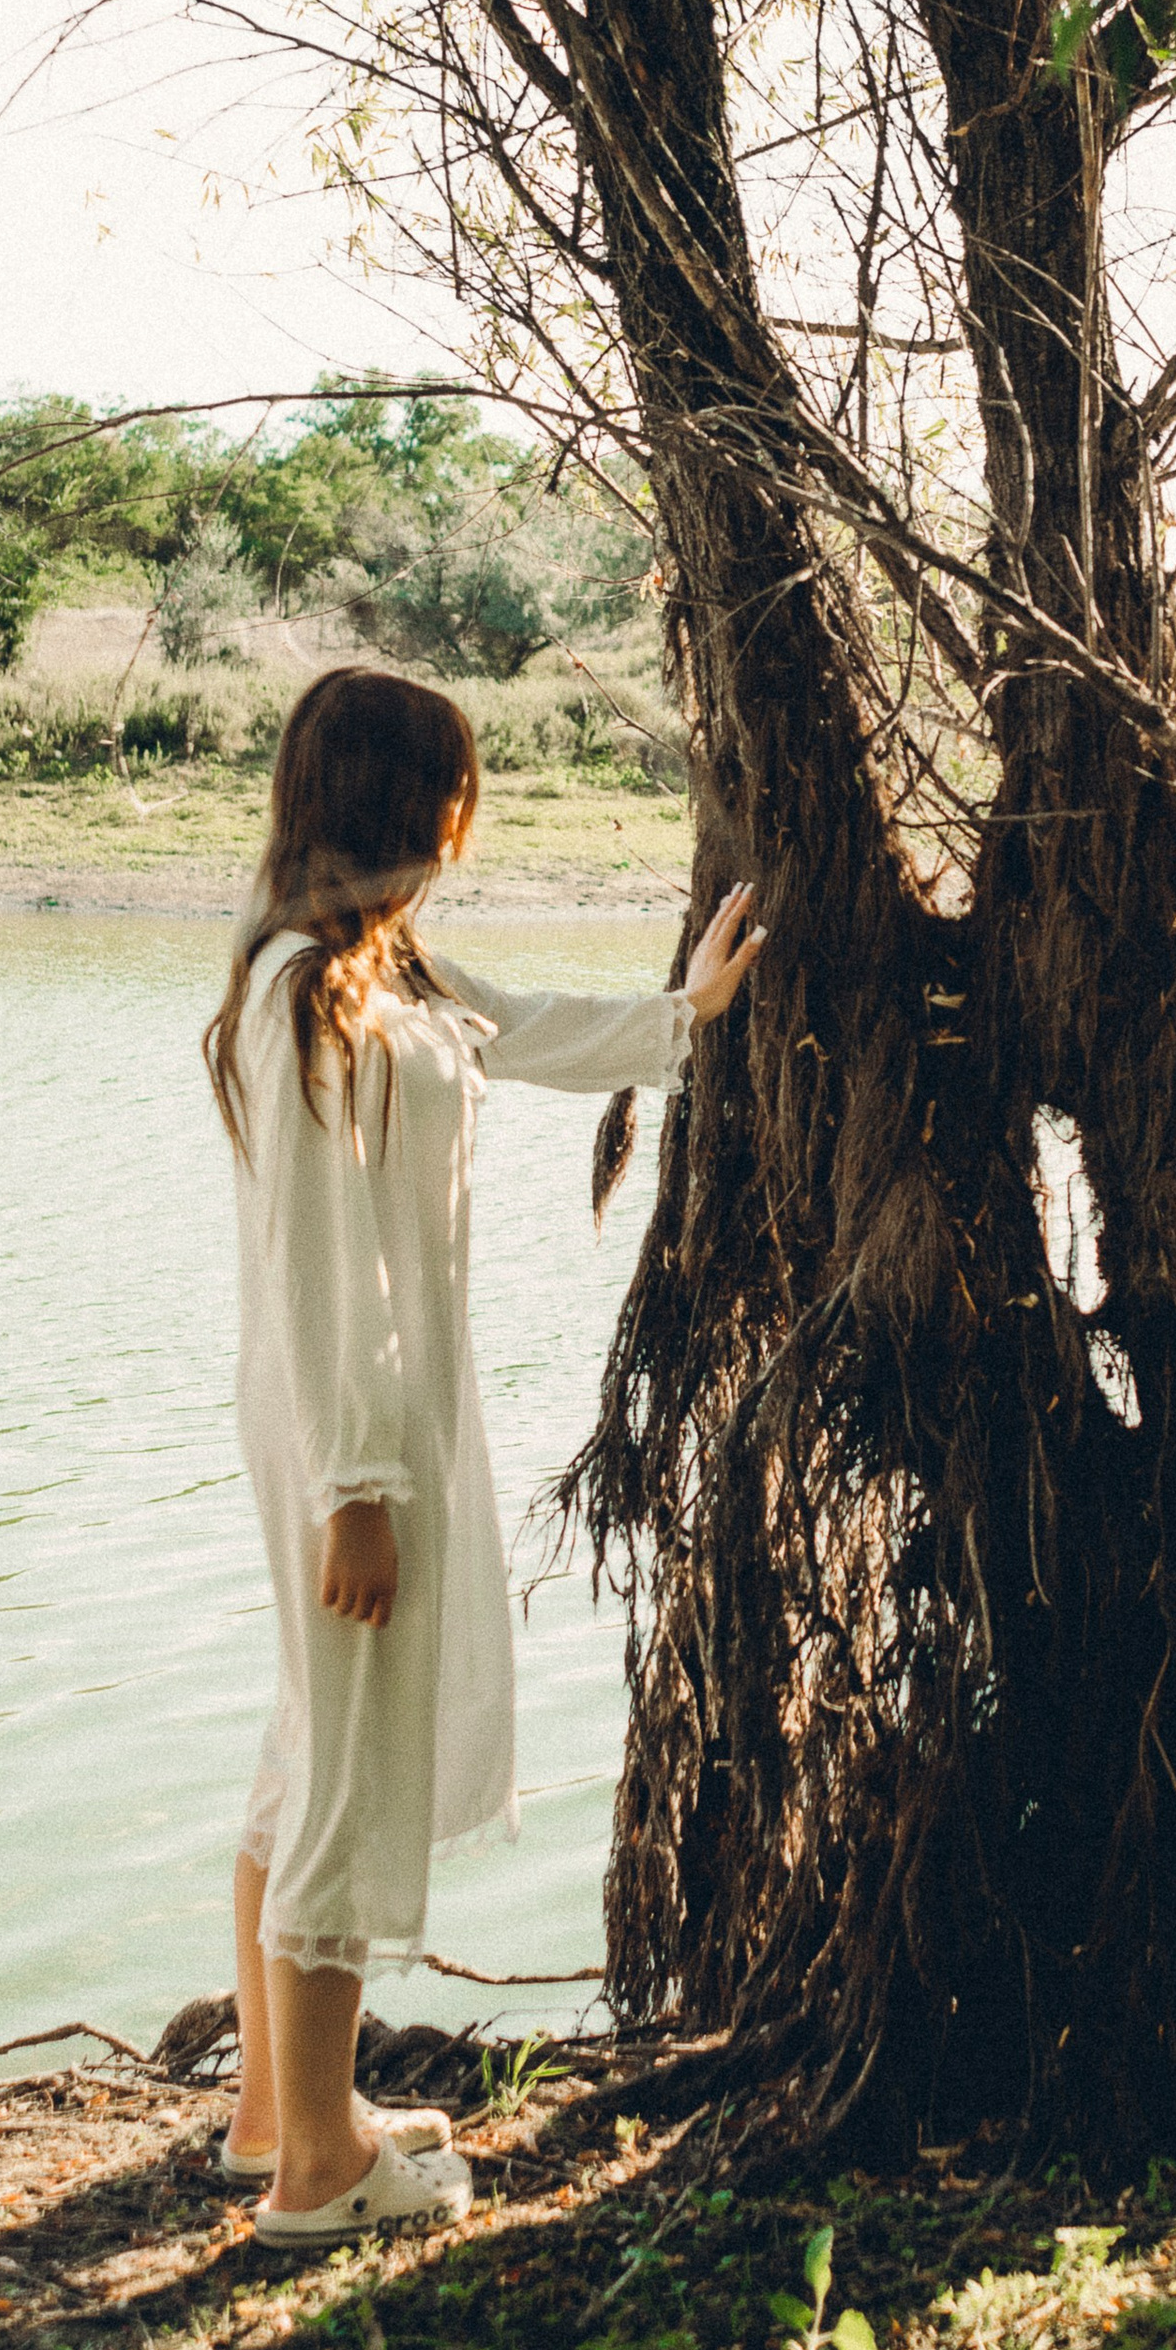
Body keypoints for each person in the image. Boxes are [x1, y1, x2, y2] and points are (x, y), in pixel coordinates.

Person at [202, 666, 764, 2249]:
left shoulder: (384, 968)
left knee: (307, 1741)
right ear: (402, 800)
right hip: (352, 1432)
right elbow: (331, 1273)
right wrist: (360, 1490)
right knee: (350, 1771)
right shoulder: (310, 994)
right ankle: (322, 2170)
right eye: (455, 780)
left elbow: (520, 1035)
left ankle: (275, 2109)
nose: (472, 807)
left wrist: (686, 1018)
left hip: (371, 1422)